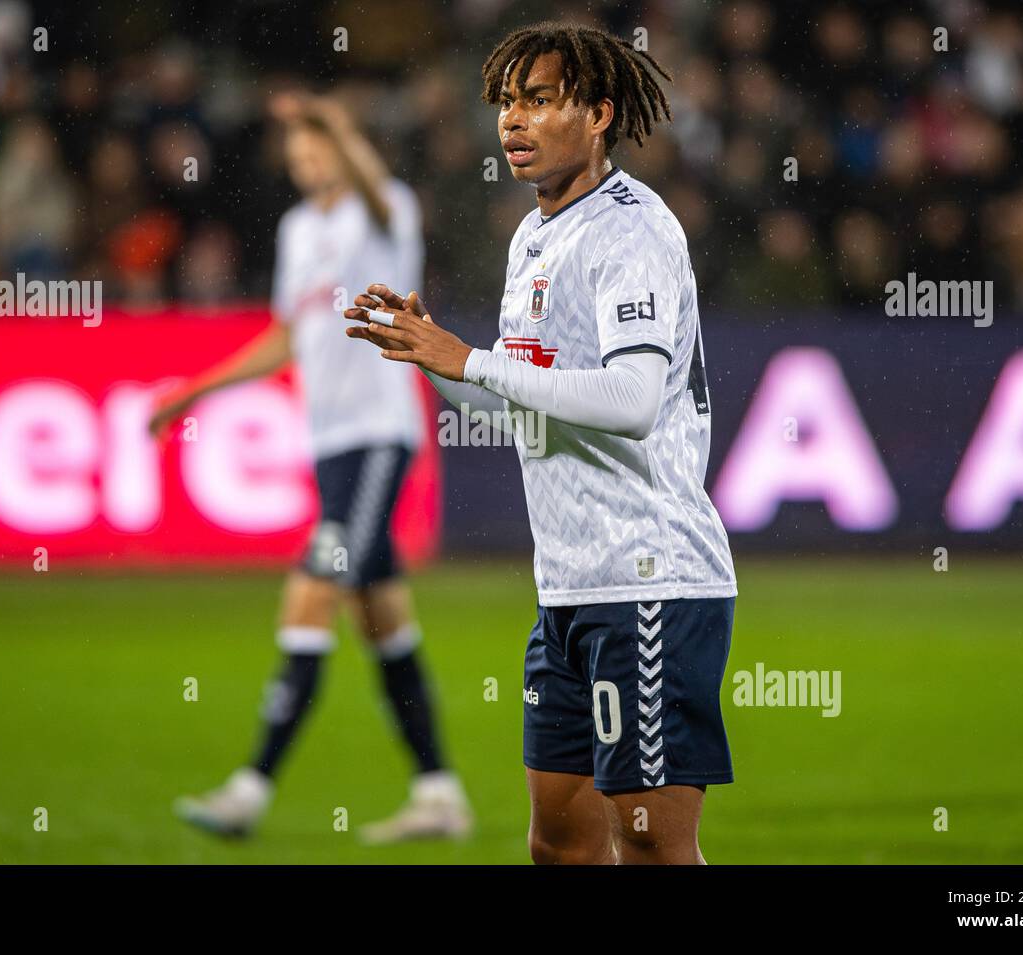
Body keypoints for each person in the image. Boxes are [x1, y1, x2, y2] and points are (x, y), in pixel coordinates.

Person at [344, 22, 736, 864]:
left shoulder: (632, 230)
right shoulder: (534, 236)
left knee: (652, 849)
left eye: (539, 101)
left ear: (598, 114)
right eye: (507, 103)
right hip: (565, 588)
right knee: (559, 842)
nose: (513, 122)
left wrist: (474, 360)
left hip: (650, 580)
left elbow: (631, 401)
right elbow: (523, 407)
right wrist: (429, 355)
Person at [151, 91, 471, 844]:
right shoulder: (298, 230)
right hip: (330, 444)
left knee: (310, 590)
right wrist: (193, 390)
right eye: (296, 156)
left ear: (344, 146)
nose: (307, 165)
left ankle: (250, 787)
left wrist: (329, 118)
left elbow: (368, 181)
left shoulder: (381, 209)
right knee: (381, 615)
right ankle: (439, 791)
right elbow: (287, 337)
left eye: (317, 149)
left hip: (379, 434)